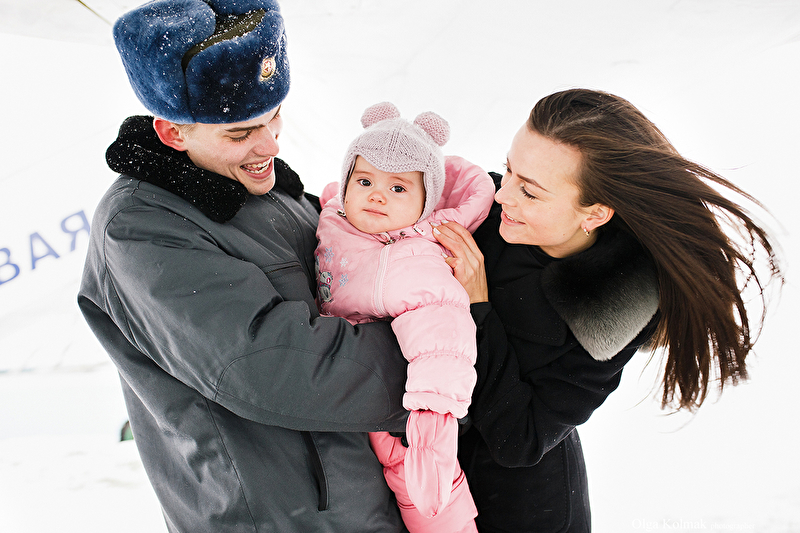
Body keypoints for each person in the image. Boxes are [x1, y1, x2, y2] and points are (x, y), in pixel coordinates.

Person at [78, 1, 414, 531]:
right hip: (276, 518)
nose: (271, 144)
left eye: (274, 116)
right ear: (173, 133)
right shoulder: (141, 227)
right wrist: (449, 363)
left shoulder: (265, 189)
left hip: (355, 505)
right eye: (240, 133)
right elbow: (271, 365)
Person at [433, 88, 783, 533]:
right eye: (509, 169)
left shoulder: (618, 306)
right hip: (414, 482)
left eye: (530, 192)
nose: (504, 195)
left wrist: (477, 305)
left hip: (516, 510)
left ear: (595, 214)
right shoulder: (476, 207)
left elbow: (518, 440)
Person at [314, 102, 494, 532]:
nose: (377, 195)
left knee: (423, 490)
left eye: (398, 188)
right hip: (349, 388)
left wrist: (430, 430)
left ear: (425, 202)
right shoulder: (337, 218)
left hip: (403, 414)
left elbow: (443, 342)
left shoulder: (412, 258)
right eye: (364, 181)